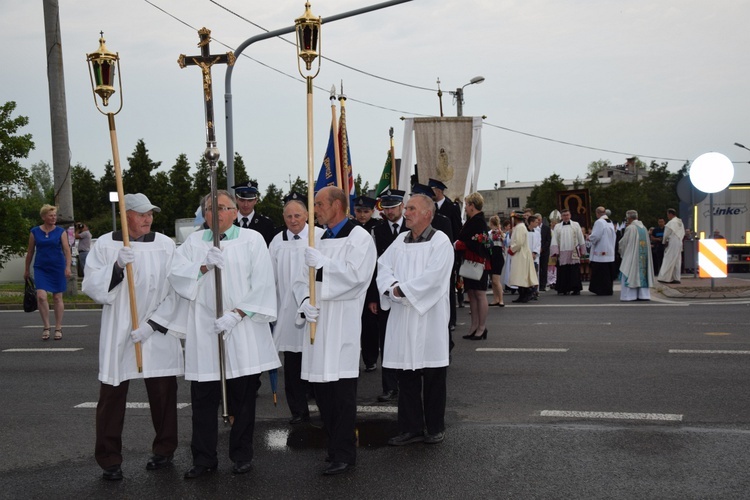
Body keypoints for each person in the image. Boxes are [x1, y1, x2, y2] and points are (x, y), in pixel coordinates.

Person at [156, 190, 281, 479]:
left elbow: (263, 282)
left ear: (235, 212)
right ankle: (203, 458)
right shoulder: (193, 242)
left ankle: (241, 454)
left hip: (242, 329)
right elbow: (176, 275)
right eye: (211, 208)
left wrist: (237, 314)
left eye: (224, 208)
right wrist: (202, 266)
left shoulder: (252, 240)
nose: (218, 213)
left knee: (243, 397)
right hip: (205, 330)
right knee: (203, 399)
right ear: (205, 213)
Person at [81, 193, 184, 481]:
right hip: (120, 326)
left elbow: (176, 288)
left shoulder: (165, 245)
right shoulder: (105, 244)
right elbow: (92, 286)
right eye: (141, 214)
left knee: (164, 391)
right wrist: (115, 268)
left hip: (156, 325)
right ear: (126, 215)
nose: (148, 218)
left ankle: (165, 449)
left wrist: (154, 324)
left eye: (150, 213)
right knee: (112, 394)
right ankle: (109, 458)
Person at [293, 186, 377, 476]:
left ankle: (344, 453)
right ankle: (332, 448)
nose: (315, 210)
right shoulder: (316, 238)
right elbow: (299, 278)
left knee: (341, 395)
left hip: (341, 325)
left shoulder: (359, 237)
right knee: (323, 394)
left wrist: (324, 265)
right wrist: (305, 302)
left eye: (319, 204)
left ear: (338, 205)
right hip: (318, 324)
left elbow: (356, 277)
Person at [377, 193, 453, 446]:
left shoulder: (440, 242)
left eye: (411, 208)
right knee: (406, 373)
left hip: (429, 316)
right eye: (406, 208)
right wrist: (392, 287)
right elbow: (383, 266)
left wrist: (401, 290)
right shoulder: (400, 241)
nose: (405, 212)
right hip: (403, 316)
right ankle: (410, 427)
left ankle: (434, 426)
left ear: (427, 214)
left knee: (433, 374)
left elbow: (434, 279)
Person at [269, 195, 324, 425]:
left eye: (298, 215)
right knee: (292, 367)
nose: (293, 220)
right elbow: (268, 278)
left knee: (318, 363)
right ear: (283, 218)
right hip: (287, 313)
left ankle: (325, 408)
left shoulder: (319, 237)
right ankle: (298, 411)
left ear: (307, 216)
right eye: (289, 216)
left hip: (316, 311)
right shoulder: (276, 242)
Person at [366, 188, 408, 402]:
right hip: (384, 294)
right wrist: (373, 296)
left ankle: (407, 381)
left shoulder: (412, 229)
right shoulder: (377, 230)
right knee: (387, 340)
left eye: (394, 206)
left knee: (406, 338)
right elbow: (374, 266)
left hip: (407, 292)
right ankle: (389, 386)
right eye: (387, 207)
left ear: (402, 206)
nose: (390, 211)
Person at [24, 204, 72, 341]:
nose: (53, 218)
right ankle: (46, 326)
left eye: (55, 215)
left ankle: (58, 327)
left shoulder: (60, 231)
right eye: (51, 215)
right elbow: (30, 252)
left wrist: (67, 267)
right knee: (41, 296)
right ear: (44, 217)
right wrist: (26, 269)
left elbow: (67, 250)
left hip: (57, 267)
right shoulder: (34, 232)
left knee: (57, 297)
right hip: (41, 267)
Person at [455, 192, 491, 340]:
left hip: (478, 262)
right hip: (469, 262)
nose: (466, 207)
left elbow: (479, 242)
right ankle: (474, 325)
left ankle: (481, 327)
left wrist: (460, 244)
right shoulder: (472, 220)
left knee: (480, 294)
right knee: (471, 294)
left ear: (472, 205)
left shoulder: (479, 221)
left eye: (468, 204)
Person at [353, 194, 381, 373]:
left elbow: (375, 265)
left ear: (372, 211)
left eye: (366, 211)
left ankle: (370, 359)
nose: (362, 215)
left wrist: (373, 296)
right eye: (359, 211)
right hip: (353, 285)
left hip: (370, 283)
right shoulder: (350, 228)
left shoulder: (377, 228)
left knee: (370, 326)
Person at [618, 210, 655, 301]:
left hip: (632, 256)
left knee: (630, 272)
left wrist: (620, 248)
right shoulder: (644, 228)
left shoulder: (631, 228)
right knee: (642, 273)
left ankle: (629, 296)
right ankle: (643, 295)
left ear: (629, 218)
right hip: (643, 257)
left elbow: (624, 243)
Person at [550, 208, 586, 295]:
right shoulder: (558, 226)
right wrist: (555, 251)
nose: (566, 217)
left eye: (567, 215)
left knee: (574, 270)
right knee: (563, 270)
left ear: (570, 215)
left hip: (573, 251)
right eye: (564, 215)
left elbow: (580, 237)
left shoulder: (576, 225)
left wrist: (583, 249)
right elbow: (554, 239)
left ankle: (575, 289)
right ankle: (564, 289)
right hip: (562, 251)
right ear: (561, 217)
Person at [231, 181, 277, 246]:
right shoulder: (229, 222)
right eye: (242, 200)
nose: (246, 204)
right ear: (236, 199)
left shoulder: (266, 224)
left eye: (250, 200)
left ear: (255, 200)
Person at [507, 212, 538, 303]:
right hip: (521, 253)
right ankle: (522, 294)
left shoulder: (520, 227)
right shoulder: (520, 227)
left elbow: (519, 242)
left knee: (521, 274)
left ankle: (526, 293)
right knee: (521, 275)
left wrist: (512, 249)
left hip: (521, 254)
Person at [588, 206, 617, 296]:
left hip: (601, 251)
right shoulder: (610, 222)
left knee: (600, 272)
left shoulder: (599, 222)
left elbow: (596, 236)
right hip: (610, 250)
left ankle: (601, 289)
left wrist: (589, 237)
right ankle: (608, 289)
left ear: (597, 213)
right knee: (607, 272)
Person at [657, 208, 685, 284]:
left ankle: (664, 277)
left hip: (672, 241)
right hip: (679, 242)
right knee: (677, 260)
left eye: (667, 215)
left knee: (668, 258)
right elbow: (683, 233)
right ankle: (676, 278)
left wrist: (664, 242)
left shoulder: (671, 223)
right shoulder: (680, 223)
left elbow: (666, 234)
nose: (667, 216)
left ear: (670, 214)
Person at [488, 215, 505, 306]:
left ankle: (501, 299)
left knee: (495, 280)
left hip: (497, 257)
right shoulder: (493, 232)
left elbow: (496, 245)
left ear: (491, 223)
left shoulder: (496, 233)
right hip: (493, 257)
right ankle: (496, 298)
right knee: (493, 280)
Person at [538, 215, 552, 292]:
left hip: (544, 251)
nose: (538, 221)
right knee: (538, 268)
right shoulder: (535, 229)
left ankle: (543, 284)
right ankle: (538, 283)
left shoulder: (546, 228)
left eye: (539, 220)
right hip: (536, 251)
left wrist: (543, 248)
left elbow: (548, 240)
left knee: (544, 268)